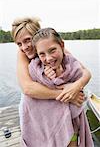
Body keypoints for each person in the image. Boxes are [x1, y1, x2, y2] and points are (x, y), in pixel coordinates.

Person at [11, 18, 92, 147]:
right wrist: (66, 94)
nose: (24, 47)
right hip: (36, 108)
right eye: (19, 43)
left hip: (59, 107)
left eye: (27, 40)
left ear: (37, 35)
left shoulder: (52, 46)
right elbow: (27, 88)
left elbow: (85, 72)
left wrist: (76, 86)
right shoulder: (22, 54)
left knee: (69, 136)